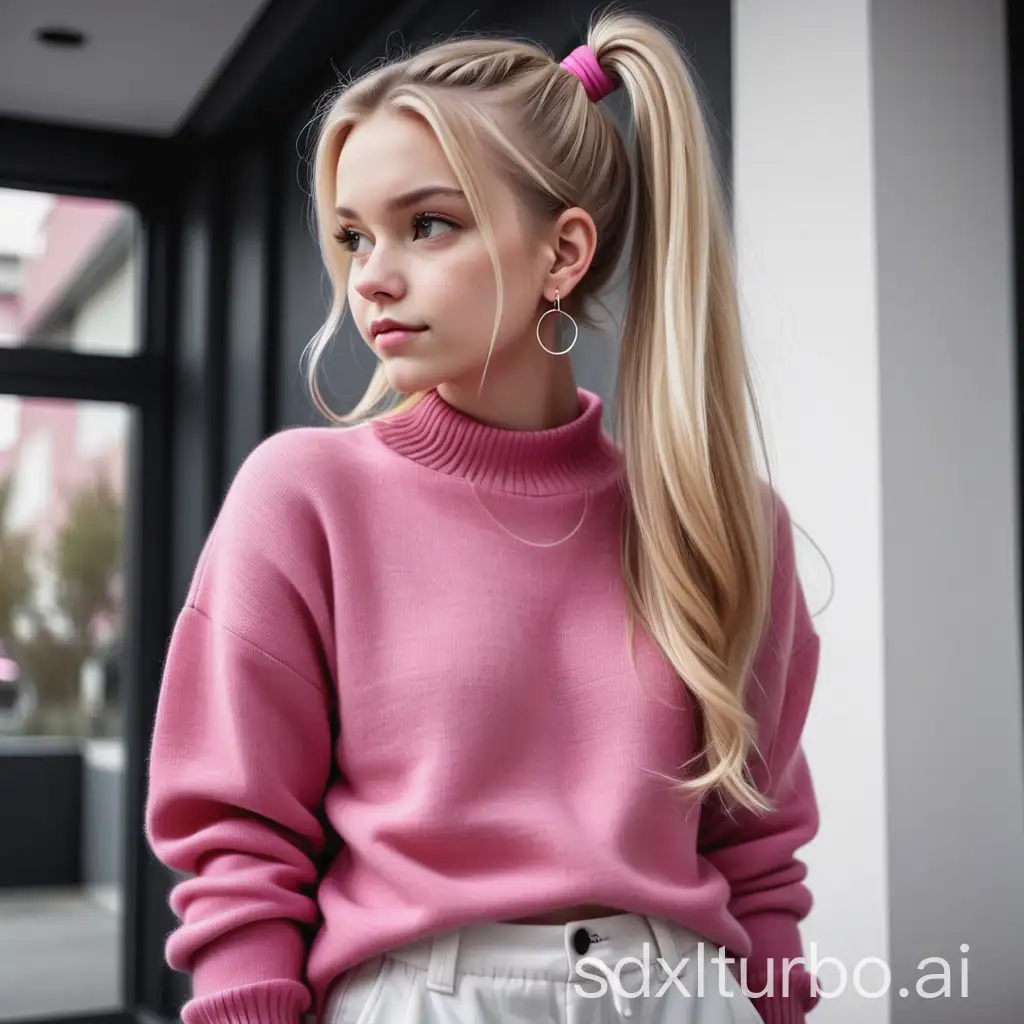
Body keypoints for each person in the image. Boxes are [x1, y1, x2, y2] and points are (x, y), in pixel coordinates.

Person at [145, 9, 824, 1024]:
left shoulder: (719, 522)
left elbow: (755, 853)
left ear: (563, 254)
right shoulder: (302, 497)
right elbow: (236, 843)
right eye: (351, 234)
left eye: (428, 223)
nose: (370, 273)